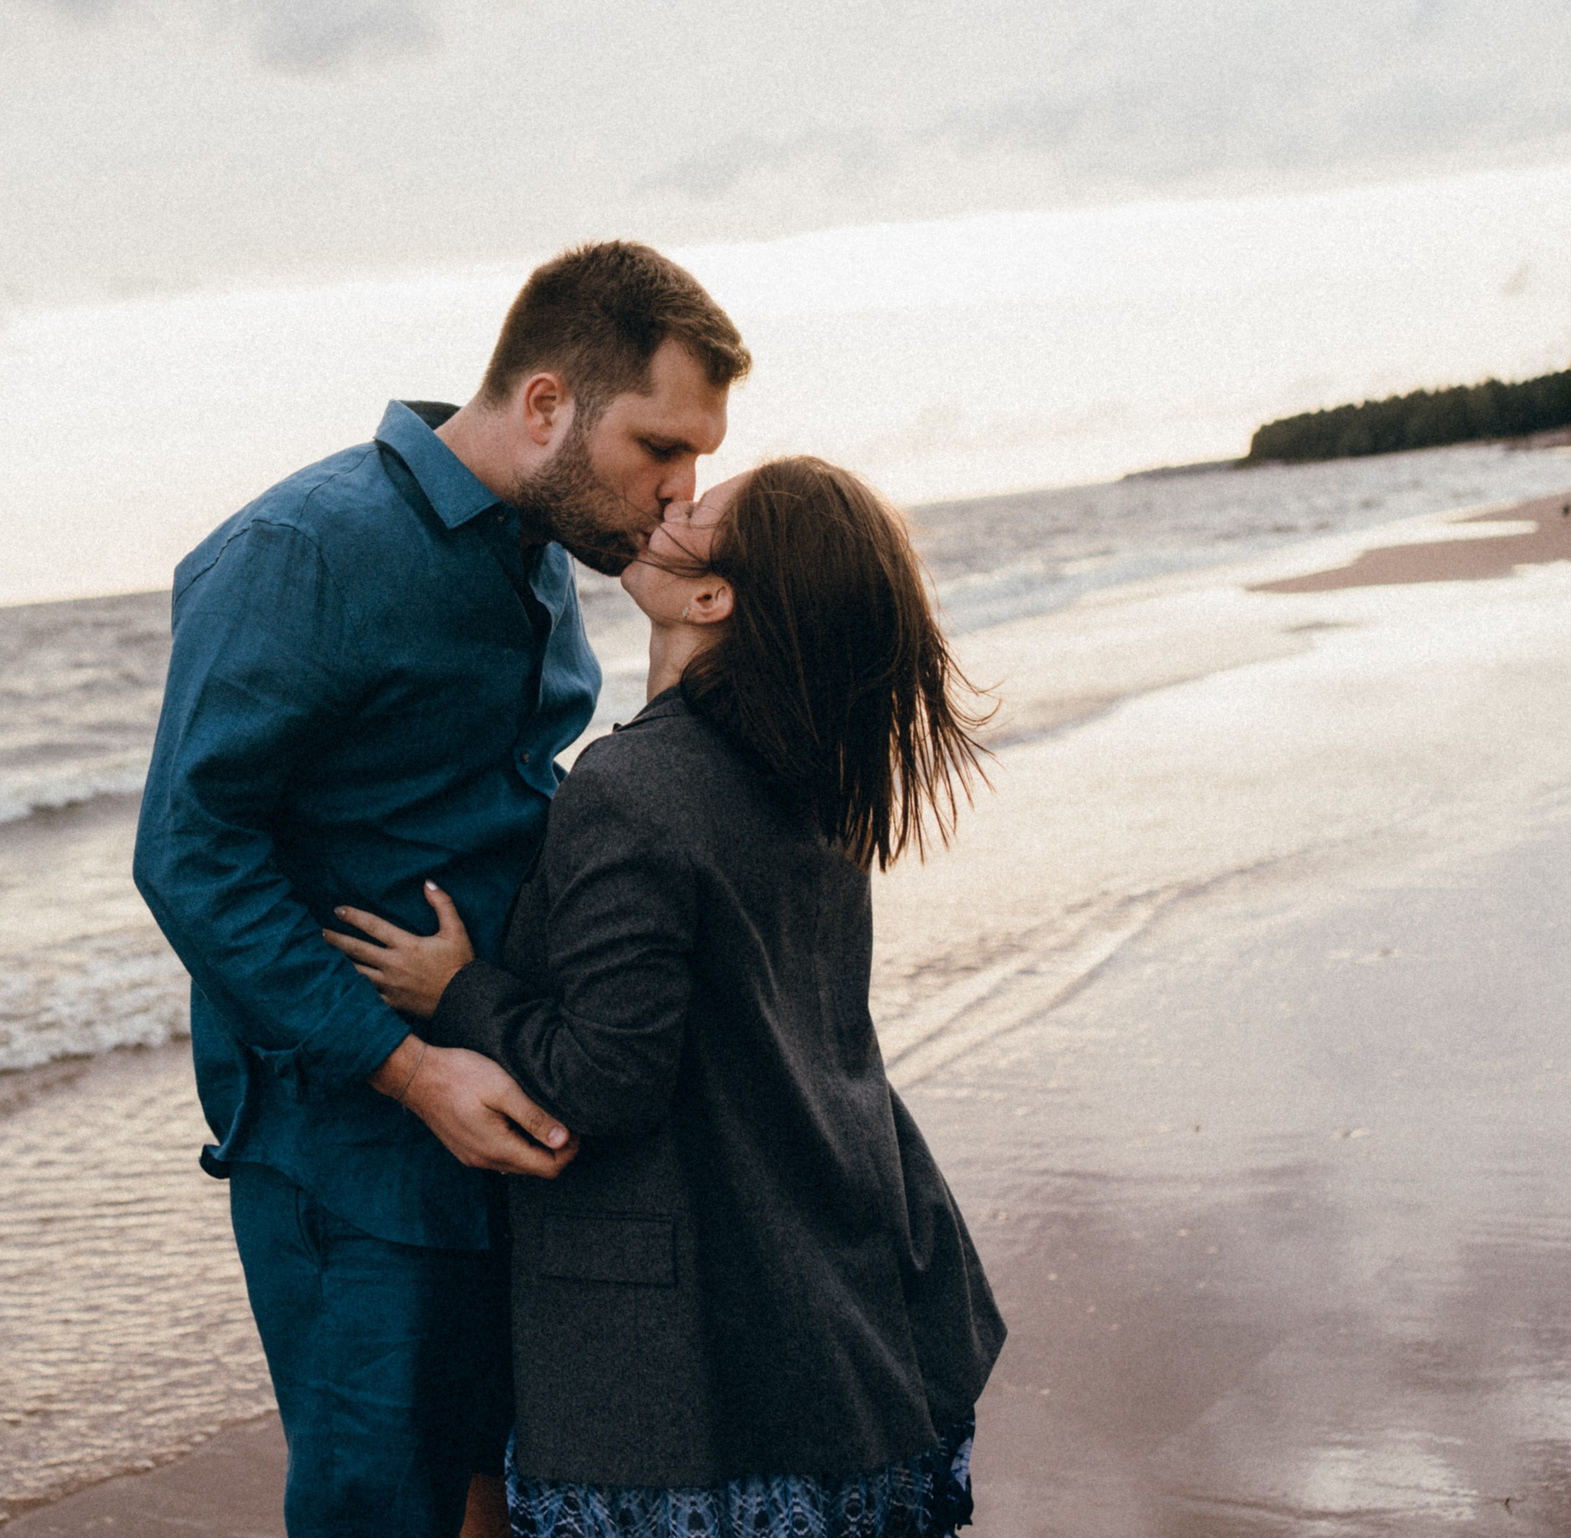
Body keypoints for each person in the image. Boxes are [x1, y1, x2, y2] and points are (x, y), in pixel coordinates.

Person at [133, 242, 751, 1538]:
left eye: (696, 454)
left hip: (516, 1115)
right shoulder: (299, 550)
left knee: (514, 1500)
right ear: (544, 405)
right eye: (659, 446)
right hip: (353, 1159)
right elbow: (191, 853)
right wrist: (412, 1070)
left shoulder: (542, 550)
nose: (681, 488)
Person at [324, 456, 1007, 1538]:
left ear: (709, 596)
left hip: (697, 1352)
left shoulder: (631, 788)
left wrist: (457, 991)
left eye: (702, 511)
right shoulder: (812, 771)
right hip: (852, 1290)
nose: (669, 502)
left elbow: (606, 1079)